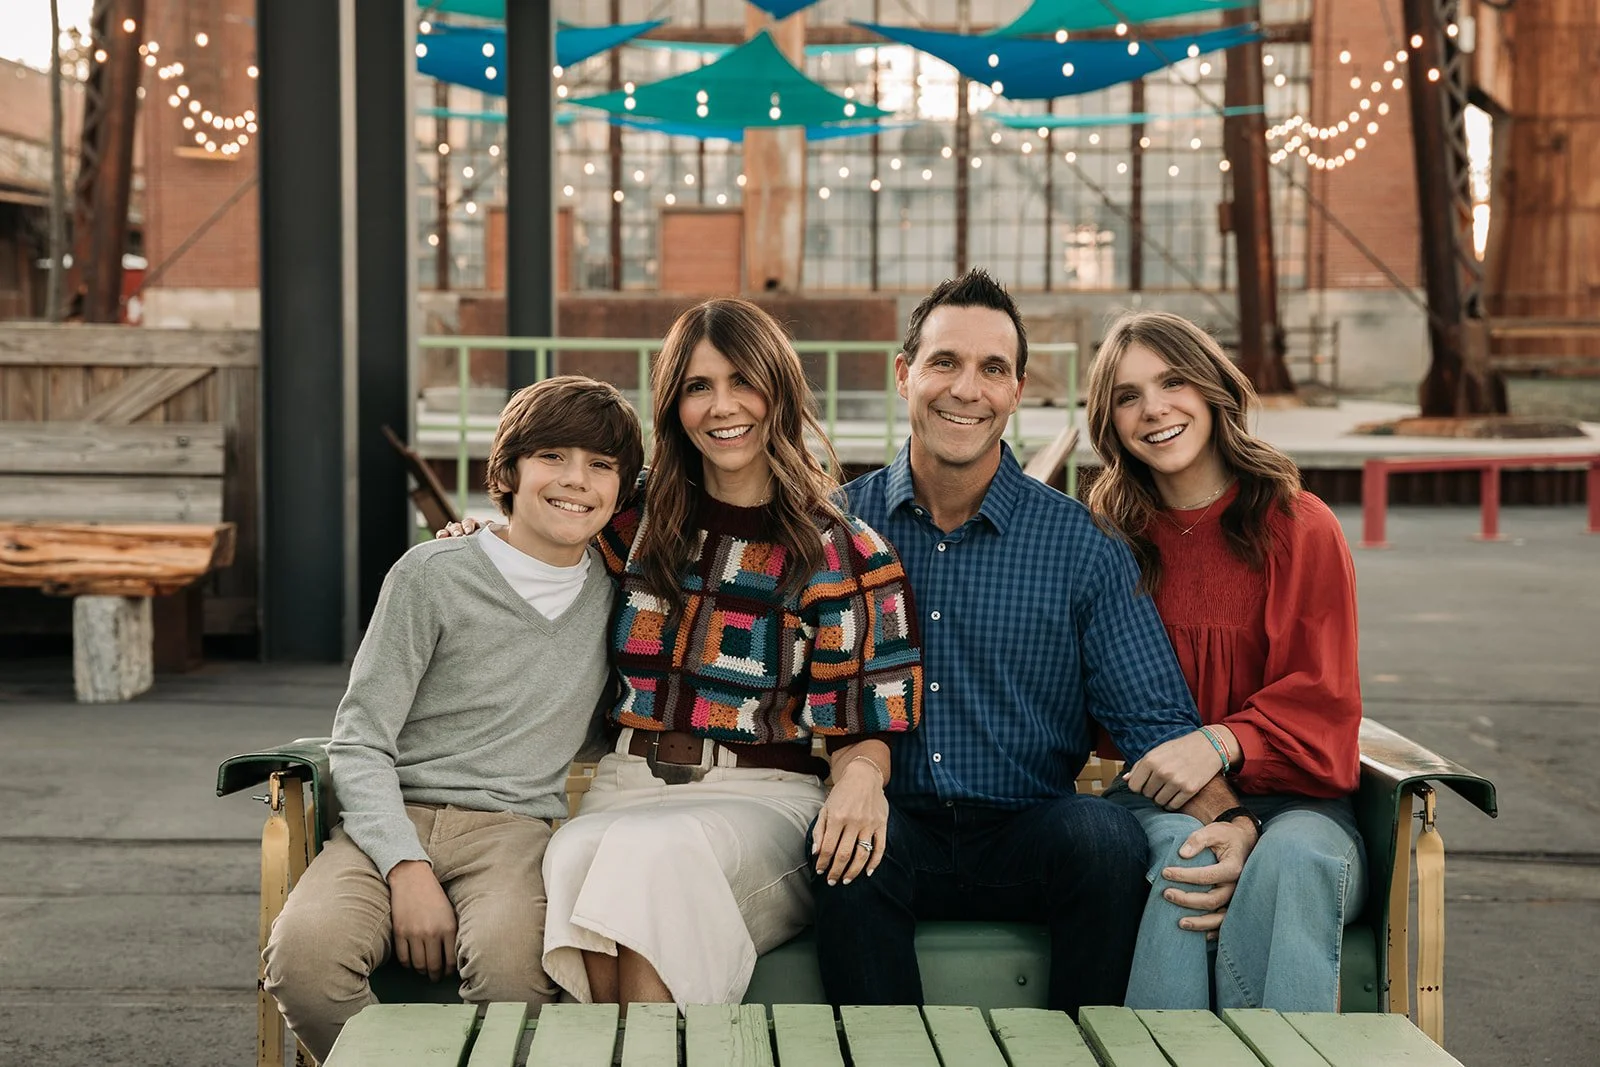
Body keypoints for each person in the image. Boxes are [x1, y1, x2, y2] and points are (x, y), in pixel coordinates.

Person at [444, 298, 923, 1008]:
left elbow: (867, 720)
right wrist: (483, 538)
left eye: (741, 381)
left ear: (778, 391)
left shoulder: (842, 550)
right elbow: (541, 543)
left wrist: (863, 776)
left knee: (655, 860)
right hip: (625, 786)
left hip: (763, 802)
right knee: (577, 856)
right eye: (699, 386)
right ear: (674, 403)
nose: (721, 406)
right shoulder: (630, 520)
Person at [811, 269, 1255, 1017]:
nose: (966, 389)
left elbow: (1154, 721)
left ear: (1017, 389)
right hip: (892, 821)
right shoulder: (837, 530)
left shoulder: (1083, 547)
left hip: (1031, 828)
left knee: (1105, 838)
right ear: (904, 374)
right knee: (840, 855)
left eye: (992, 369)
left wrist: (1236, 822)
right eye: (944, 362)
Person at [261, 377, 644, 1062]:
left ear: (621, 492)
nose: (576, 481)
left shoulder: (619, 604)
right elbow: (361, 737)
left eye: (601, 465)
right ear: (508, 470)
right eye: (553, 456)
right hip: (390, 818)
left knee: (515, 979)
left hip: (513, 832)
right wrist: (406, 865)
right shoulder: (430, 574)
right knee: (305, 963)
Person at [1085, 309, 1364, 1012]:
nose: (1154, 408)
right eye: (1127, 395)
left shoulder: (1301, 527)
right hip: (1158, 801)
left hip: (1303, 802)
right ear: (1110, 421)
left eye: (1172, 380)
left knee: (1294, 859)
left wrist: (1219, 741)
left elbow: (1321, 696)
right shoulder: (1109, 538)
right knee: (1189, 857)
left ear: (1212, 389)